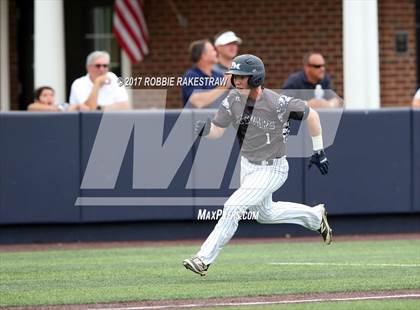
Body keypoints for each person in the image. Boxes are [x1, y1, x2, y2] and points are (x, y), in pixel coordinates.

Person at [183, 54, 332, 276]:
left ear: (255, 78)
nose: (237, 81)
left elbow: (313, 116)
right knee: (265, 214)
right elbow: (217, 130)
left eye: (242, 77)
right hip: (249, 166)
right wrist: (205, 131)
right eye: (235, 77)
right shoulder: (232, 100)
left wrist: (318, 150)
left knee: (233, 207)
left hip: (273, 167)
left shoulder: (277, 102)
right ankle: (315, 216)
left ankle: (203, 259)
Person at [181, 39, 229, 108]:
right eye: (213, 50)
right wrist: (223, 87)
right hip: (195, 118)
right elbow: (198, 102)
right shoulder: (191, 76)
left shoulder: (218, 76)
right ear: (204, 56)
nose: (216, 52)